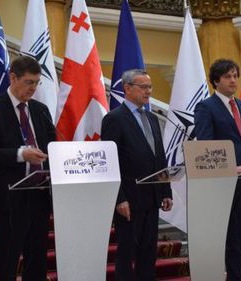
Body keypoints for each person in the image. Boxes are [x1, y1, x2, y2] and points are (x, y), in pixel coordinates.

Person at [0, 56, 56, 281]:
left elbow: (53, 145)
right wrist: (21, 154)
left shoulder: (40, 110)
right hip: (9, 199)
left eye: (37, 83)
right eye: (29, 82)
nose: (33, 88)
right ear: (13, 77)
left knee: (38, 259)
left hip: (39, 197)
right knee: (8, 260)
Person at [194, 59, 241, 281]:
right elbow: (207, 144)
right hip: (220, 183)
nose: (233, 80)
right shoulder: (206, 107)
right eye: (227, 76)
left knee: (237, 235)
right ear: (216, 81)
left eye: (235, 75)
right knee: (223, 235)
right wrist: (228, 168)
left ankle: (236, 276)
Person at [101, 69, 173, 281]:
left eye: (150, 87)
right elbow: (110, 162)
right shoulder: (114, 119)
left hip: (152, 197)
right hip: (129, 200)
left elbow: (159, 157)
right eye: (143, 87)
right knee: (126, 253)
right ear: (127, 88)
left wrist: (165, 190)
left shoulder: (152, 118)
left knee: (148, 254)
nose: (148, 91)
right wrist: (119, 197)